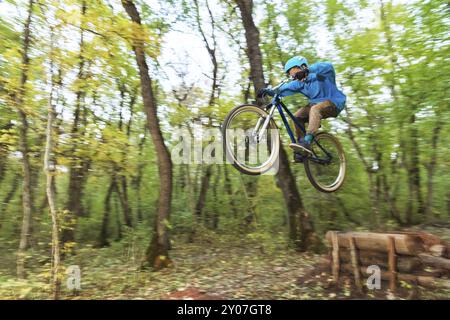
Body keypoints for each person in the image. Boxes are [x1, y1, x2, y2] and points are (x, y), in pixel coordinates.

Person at [257, 56, 346, 162]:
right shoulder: (299, 84)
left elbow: (329, 67)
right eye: (292, 75)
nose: (294, 76)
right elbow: (281, 90)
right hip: (315, 105)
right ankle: (302, 147)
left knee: (315, 109)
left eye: (295, 72)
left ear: (302, 66)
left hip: (333, 103)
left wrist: (308, 70)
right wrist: (267, 91)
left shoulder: (320, 75)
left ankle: (307, 141)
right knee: (297, 116)